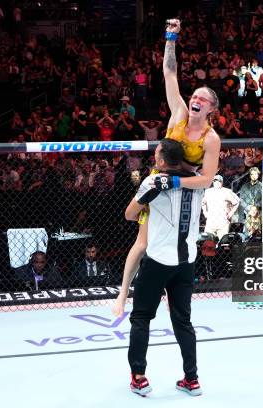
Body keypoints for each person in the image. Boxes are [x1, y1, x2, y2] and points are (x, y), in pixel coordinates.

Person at [113, 18, 221, 328]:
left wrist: (174, 180)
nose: (195, 99)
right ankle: (122, 294)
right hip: (159, 181)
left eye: (202, 99)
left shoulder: (210, 138)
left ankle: (176, 295)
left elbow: (207, 179)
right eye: (195, 96)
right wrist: (170, 39)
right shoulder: (178, 113)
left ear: (212, 108)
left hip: (184, 189)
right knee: (141, 240)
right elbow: (169, 73)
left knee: (174, 243)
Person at [120, 138, 204, 396]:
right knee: (183, 321)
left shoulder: (152, 182)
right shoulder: (199, 180)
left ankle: (139, 377)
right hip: (187, 262)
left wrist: (148, 204)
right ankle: (192, 379)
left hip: (158, 262)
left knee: (141, 317)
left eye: (156, 153)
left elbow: (130, 214)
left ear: (161, 160)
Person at [201, 175, 240, 240]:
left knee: (223, 243)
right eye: (214, 181)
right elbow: (203, 203)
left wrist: (231, 213)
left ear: (222, 182)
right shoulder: (208, 192)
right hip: (210, 222)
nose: (216, 183)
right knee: (207, 242)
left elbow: (237, 201)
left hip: (223, 222)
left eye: (218, 181)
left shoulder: (227, 191)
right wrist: (205, 212)